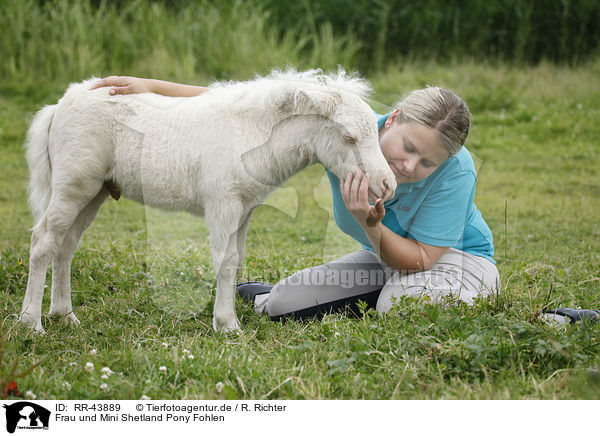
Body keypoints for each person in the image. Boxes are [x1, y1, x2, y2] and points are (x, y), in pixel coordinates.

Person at [92, 75, 500, 321]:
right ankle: (365, 295)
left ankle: (553, 320)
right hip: (383, 262)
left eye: (428, 161)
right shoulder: (346, 132)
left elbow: (419, 260)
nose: (410, 166)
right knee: (279, 305)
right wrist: (152, 88)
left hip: (455, 261)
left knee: (401, 308)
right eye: (408, 147)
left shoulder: (457, 170)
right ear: (391, 120)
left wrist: (368, 224)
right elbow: (246, 106)